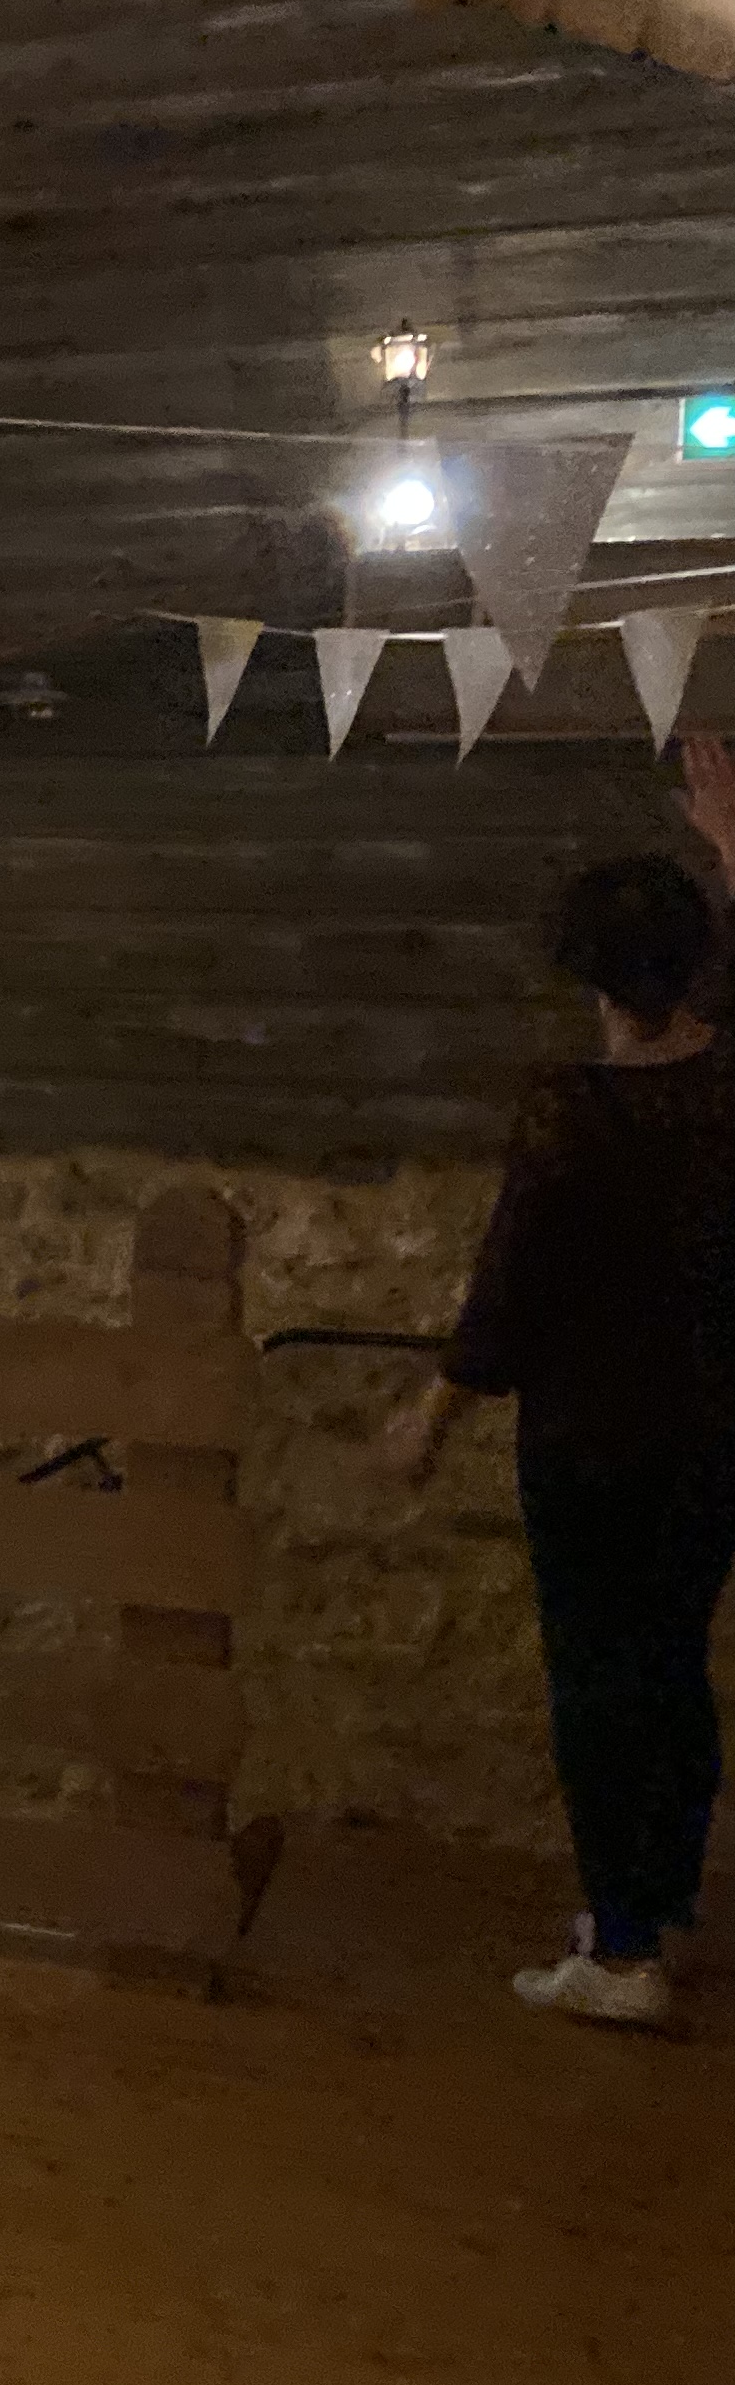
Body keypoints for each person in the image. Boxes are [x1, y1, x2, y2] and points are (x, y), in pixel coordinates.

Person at [392, 739, 735, 2029]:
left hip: (592, 1448)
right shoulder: (730, 1089)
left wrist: (428, 1421)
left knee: (598, 1682)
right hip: (715, 1439)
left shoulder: (572, 1113)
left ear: (586, 975)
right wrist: (731, 846)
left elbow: (507, 1295)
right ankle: (659, 1907)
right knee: (673, 1670)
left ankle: (625, 1949)